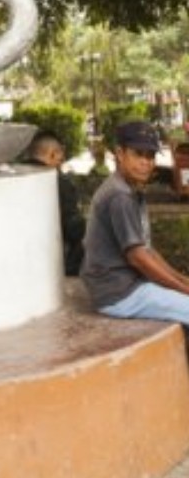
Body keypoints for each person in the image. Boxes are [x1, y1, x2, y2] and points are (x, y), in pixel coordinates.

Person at [80, 121, 189, 326]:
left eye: (150, 156)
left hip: (130, 286)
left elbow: (147, 250)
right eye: (138, 154)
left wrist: (182, 280)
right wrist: (183, 290)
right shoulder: (119, 196)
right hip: (119, 294)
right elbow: (139, 259)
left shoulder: (129, 189)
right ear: (120, 154)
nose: (146, 162)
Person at [19, 129, 83, 276]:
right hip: (56, 263)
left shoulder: (15, 179)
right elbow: (74, 229)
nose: (62, 160)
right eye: (60, 155)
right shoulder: (59, 182)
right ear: (53, 154)